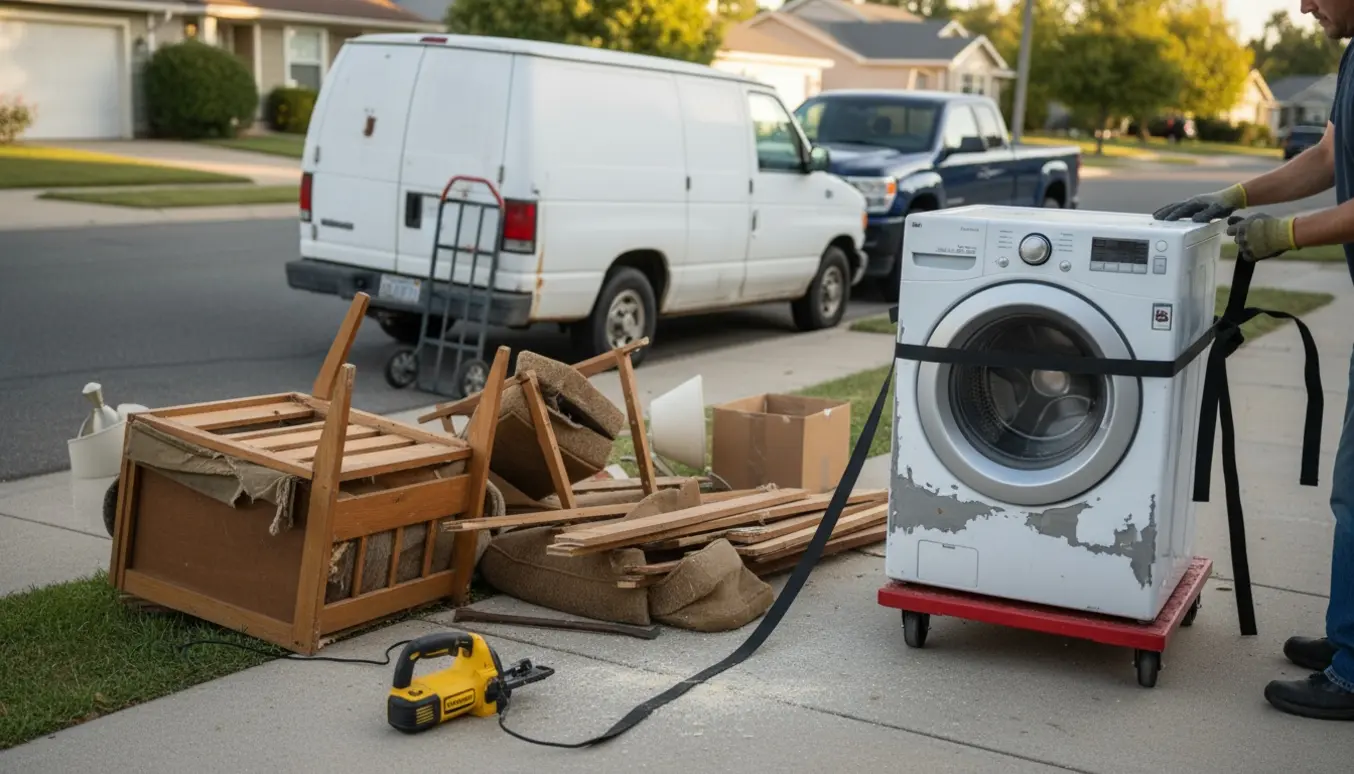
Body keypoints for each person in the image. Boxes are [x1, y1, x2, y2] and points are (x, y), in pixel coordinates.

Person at [1152, 1, 1354, 721]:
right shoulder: (1353, 55)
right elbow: (1329, 158)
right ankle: (1347, 640)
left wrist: (1284, 235)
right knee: (1350, 488)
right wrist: (1232, 196)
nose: (1304, 6)